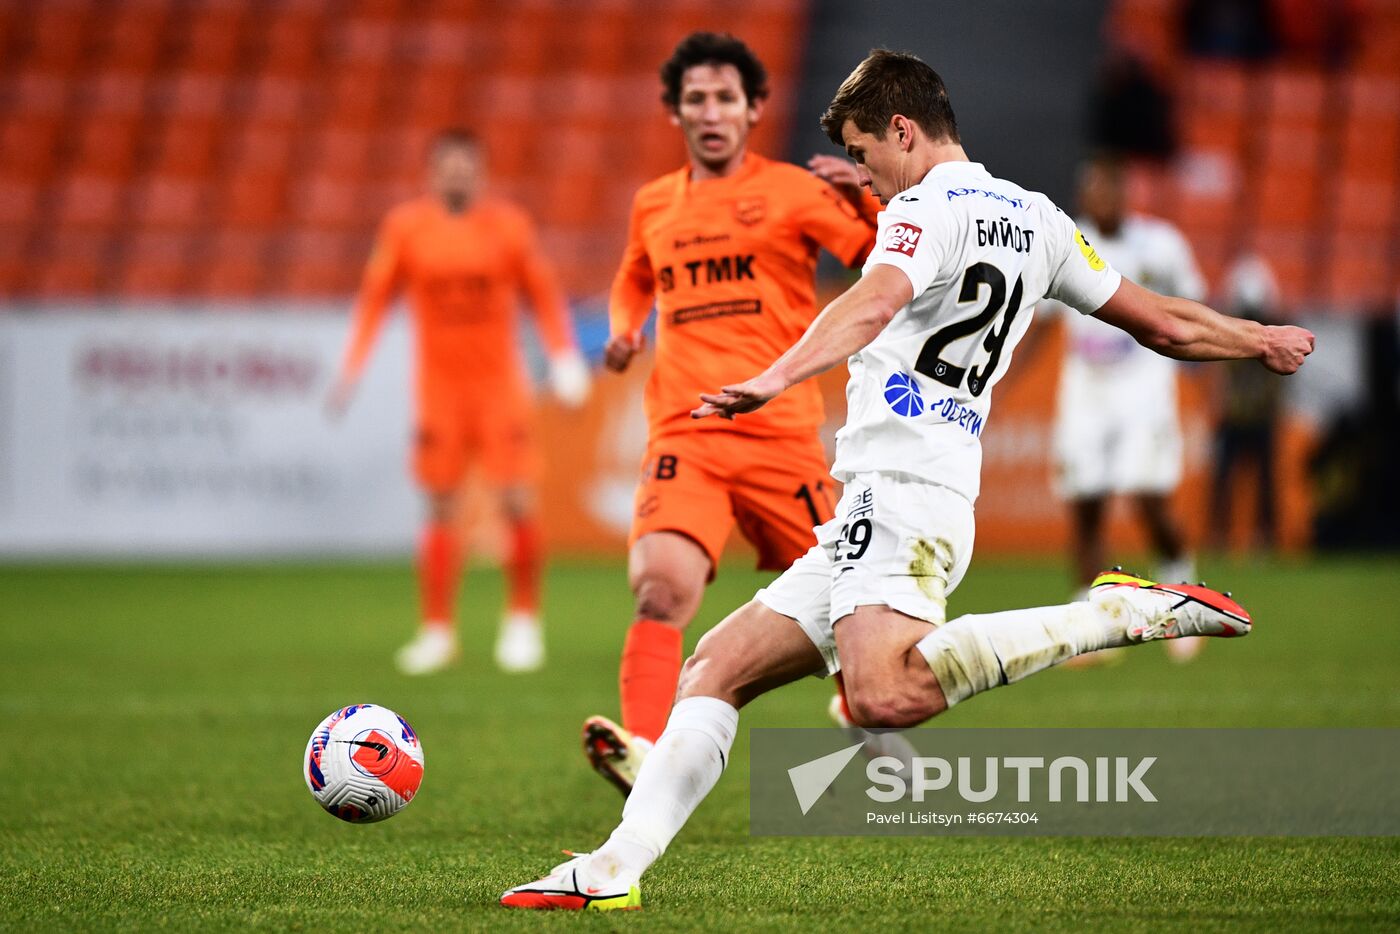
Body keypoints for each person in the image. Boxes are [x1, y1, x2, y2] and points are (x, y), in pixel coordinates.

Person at [500, 49, 1313, 910]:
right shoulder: (1038, 217)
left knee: (884, 695)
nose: (866, 178)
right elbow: (1162, 323)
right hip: (895, 500)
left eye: (863, 155)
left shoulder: (922, 211)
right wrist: (1254, 336)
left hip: (902, 493)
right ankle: (612, 873)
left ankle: (1110, 615)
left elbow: (875, 300)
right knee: (715, 670)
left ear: (903, 130)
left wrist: (776, 377)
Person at [580, 32, 887, 797]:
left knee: (852, 608)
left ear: (753, 109)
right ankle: (645, 753)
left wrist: (867, 196)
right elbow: (633, 276)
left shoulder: (795, 189)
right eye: (696, 100)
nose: (710, 112)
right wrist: (625, 328)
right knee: (660, 587)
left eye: (725, 98)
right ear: (676, 113)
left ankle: (862, 710)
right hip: (687, 431)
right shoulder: (654, 202)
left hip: (781, 435)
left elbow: (880, 264)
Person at [326, 129, 589, 676]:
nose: (457, 176)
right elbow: (376, 299)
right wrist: (349, 368)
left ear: (481, 172)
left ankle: (522, 621)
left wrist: (563, 356)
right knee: (440, 506)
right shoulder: (405, 228)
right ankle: (438, 632)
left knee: (516, 499)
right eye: (447, 167)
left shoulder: (509, 226)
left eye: (466, 167)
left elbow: (541, 294)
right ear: (432, 173)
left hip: (499, 389)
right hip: (439, 393)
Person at [1040, 155, 1207, 662]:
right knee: (1085, 504)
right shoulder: (1065, 244)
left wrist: (1205, 375)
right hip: (1085, 393)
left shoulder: (1161, 245)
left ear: (1123, 192)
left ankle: (1183, 602)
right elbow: (1044, 323)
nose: (1099, 200)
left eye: (1107, 190)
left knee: (1148, 498)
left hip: (1144, 390)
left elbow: (1194, 306)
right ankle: (1090, 622)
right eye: (1091, 191)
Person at [1208, 254, 1284, 552]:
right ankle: (1219, 535)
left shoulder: (1269, 335)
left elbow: (1274, 384)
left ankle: (1264, 536)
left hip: (1257, 417)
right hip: (1236, 416)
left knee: (1266, 482)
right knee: (1223, 481)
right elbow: (1222, 375)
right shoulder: (1232, 335)